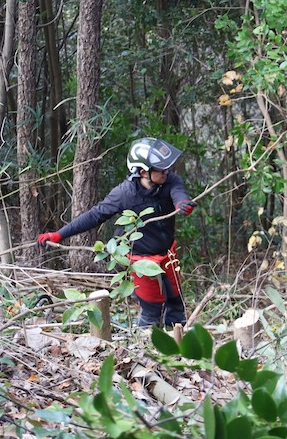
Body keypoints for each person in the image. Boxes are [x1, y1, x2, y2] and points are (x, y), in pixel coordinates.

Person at [37, 137, 198, 328]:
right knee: (151, 307)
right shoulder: (124, 194)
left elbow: (178, 193)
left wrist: (182, 204)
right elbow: (95, 215)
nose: (166, 172)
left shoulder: (170, 180)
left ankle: (178, 334)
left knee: (175, 298)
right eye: (161, 169)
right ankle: (146, 338)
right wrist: (59, 234)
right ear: (143, 171)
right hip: (140, 258)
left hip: (168, 253)